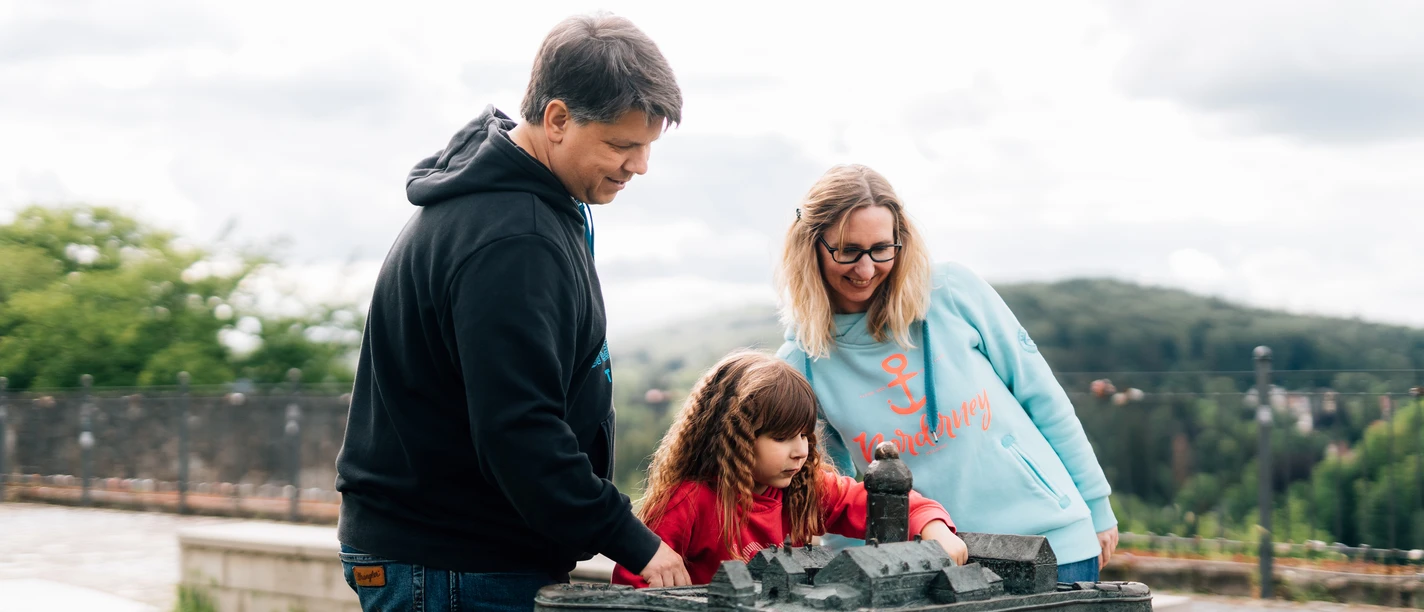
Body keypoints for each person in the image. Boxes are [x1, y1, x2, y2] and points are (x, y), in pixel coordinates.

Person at [333, 13, 689, 611]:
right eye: (622, 145)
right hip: (452, 564)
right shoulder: (513, 238)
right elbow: (520, 427)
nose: (640, 166)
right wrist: (632, 540)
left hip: (454, 554)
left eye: (648, 146)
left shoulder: (528, 204)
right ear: (556, 120)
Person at [773, 164, 1119, 583]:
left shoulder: (952, 293)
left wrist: (1097, 506)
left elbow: (1042, 396)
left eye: (882, 248)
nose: (865, 270)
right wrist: (863, 572)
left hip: (1051, 544)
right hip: (931, 571)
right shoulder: (801, 362)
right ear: (811, 246)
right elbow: (834, 490)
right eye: (847, 251)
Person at [611, 350, 967, 587]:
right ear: (734, 437)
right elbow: (634, 581)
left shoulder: (804, 489)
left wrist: (934, 527)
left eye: (804, 434)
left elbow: (871, 500)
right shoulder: (688, 502)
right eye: (782, 437)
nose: (800, 451)